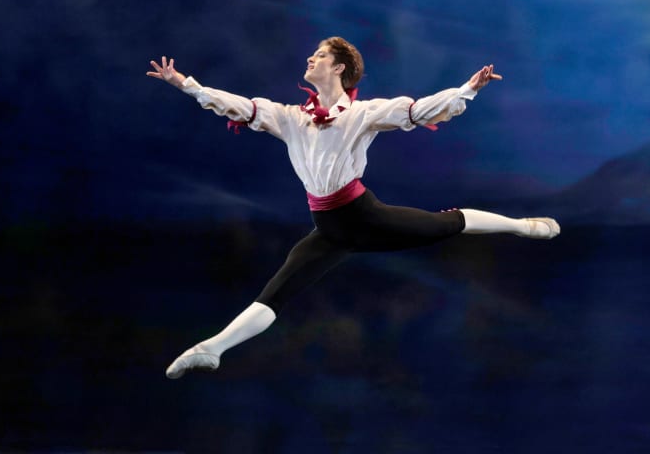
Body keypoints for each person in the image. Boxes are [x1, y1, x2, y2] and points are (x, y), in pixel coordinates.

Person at [146, 36, 560, 379]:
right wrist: (187, 85)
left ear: (339, 67)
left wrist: (466, 90)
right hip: (330, 230)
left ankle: (523, 226)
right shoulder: (290, 118)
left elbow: (418, 111)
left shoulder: (362, 113)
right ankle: (211, 349)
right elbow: (241, 107)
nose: (310, 59)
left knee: (447, 223)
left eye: (319, 55)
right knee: (275, 293)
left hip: (364, 216)